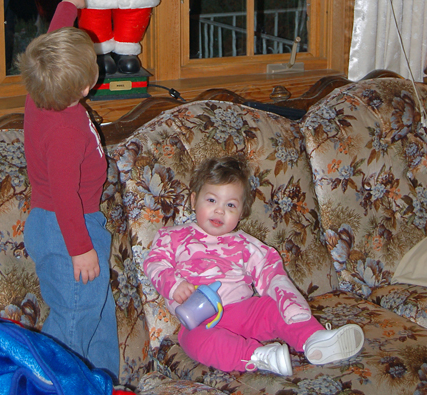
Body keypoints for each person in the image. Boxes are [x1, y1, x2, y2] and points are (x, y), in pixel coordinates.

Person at [144, 156, 365, 375]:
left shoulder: (245, 244)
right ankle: (258, 356)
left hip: (244, 311)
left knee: (271, 307)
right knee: (192, 340)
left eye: (230, 205)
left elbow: (270, 272)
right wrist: (174, 285)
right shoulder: (174, 237)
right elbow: (155, 262)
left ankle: (314, 339)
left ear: (241, 213)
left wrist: (287, 300)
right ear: (194, 200)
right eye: (211, 200)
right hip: (199, 319)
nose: (220, 210)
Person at [18, 0, 119, 378]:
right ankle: (51, 390)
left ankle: (102, 386)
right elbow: (63, 194)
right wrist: (80, 248)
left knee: (98, 310)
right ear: (85, 87)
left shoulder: (40, 87)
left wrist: (69, 3)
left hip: (67, 225)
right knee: (74, 322)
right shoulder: (64, 132)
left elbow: (51, 41)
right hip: (66, 229)